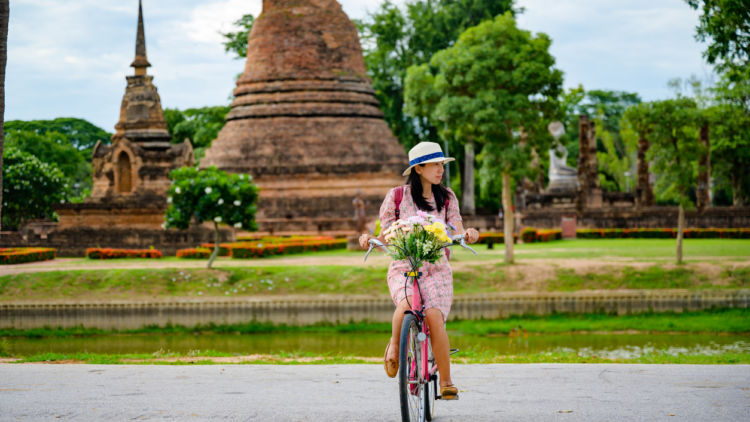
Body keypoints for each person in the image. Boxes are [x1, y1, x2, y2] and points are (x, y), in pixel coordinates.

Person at [359, 141, 478, 400]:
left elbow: (456, 228)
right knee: (404, 308)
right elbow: (387, 234)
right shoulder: (397, 196)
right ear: (419, 168)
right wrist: (370, 239)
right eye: (435, 164)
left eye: (441, 164)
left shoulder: (447, 197)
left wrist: (467, 234)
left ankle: (446, 382)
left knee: (434, 317)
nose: (440, 170)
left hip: (436, 268)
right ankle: (394, 347)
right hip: (404, 264)